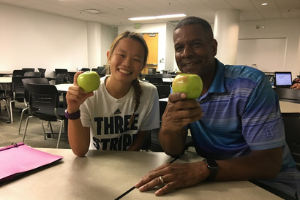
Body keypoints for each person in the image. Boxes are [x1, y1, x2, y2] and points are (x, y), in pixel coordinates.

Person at [135, 16, 300, 199]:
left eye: (196, 44)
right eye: (179, 48)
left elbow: (269, 164)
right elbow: (173, 150)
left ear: (213, 47)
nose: (186, 53)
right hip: (215, 179)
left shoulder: (250, 84)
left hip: (269, 185)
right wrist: (168, 126)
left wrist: (204, 169)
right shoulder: (180, 87)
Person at [66, 31, 160, 156]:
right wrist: (72, 110)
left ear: (143, 66)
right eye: (121, 55)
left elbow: (140, 139)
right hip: (95, 161)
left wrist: (121, 163)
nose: (127, 63)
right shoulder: (88, 93)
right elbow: (80, 151)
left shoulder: (149, 93)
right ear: (109, 57)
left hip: (130, 161)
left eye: (136, 59)